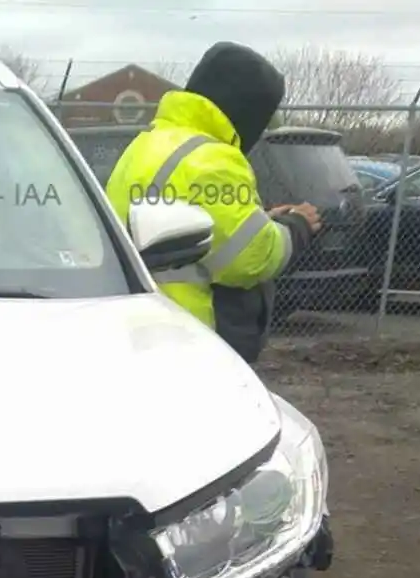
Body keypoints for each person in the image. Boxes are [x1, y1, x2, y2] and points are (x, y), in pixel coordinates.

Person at [104, 43, 324, 365]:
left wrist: (261, 219)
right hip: (194, 336)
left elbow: (197, 220)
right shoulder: (214, 157)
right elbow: (249, 259)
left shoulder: (147, 143)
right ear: (247, 109)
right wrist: (296, 226)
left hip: (138, 324)